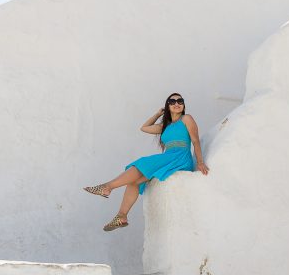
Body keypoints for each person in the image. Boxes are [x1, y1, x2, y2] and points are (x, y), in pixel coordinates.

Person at [83, 92, 209, 231]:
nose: (177, 104)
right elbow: (144, 128)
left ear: (183, 104)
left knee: (141, 163)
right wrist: (157, 114)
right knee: (135, 181)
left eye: (180, 101)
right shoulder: (164, 127)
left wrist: (200, 162)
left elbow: (195, 140)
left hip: (180, 157)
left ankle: (107, 187)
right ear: (167, 106)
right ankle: (121, 216)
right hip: (168, 158)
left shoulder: (187, 119)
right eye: (172, 102)